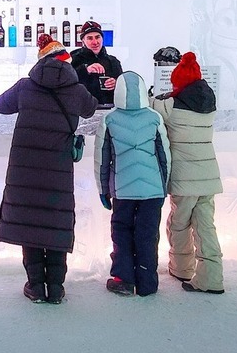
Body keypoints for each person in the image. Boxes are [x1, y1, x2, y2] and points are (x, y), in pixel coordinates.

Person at [0, 34, 98, 304]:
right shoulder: (75, 89)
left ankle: (35, 286)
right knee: (55, 219)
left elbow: (1, 105)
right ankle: (55, 287)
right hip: (58, 167)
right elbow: (90, 109)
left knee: (30, 221)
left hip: (25, 169)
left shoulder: (25, 86)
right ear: (66, 61)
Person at [149, 52, 225, 294]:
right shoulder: (209, 102)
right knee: (206, 226)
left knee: (179, 223)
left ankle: (181, 268)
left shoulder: (170, 106)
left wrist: (155, 94)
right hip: (209, 175)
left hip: (184, 177)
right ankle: (211, 278)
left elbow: (149, 105)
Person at [95, 71, 171, 297]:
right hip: (152, 190)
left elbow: (102, 158)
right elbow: (164, 155)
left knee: (122, 232)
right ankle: (148, 283)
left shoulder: (109, 119)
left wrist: (103, 190)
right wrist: (163, 185)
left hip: (123, 190)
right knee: (148, 234)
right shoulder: (154, 117)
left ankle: (124, 279)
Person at [70, 20, 123, 105]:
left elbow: (123, 88)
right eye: (90, 38)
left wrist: (116, 83)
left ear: (102, 38)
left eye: (97, 37)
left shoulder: (113, 62)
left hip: (109, 111)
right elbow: (66, 83)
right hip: (82, 112)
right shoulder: (73, 60)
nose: (95, 42)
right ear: (83, 41)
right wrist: (85, 70)